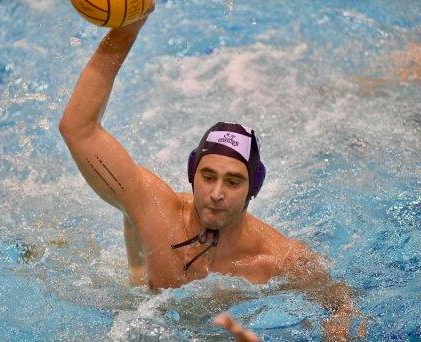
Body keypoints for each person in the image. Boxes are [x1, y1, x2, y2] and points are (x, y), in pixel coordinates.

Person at [59, 9, 366, 341]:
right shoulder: (153, 209)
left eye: (233, 181)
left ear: (254, 188)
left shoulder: (280, 260)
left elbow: (340, 302)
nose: (217, 193)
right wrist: (129, 28)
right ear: (192, 174)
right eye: (208, 176)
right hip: (132, 311)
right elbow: (78, 129)